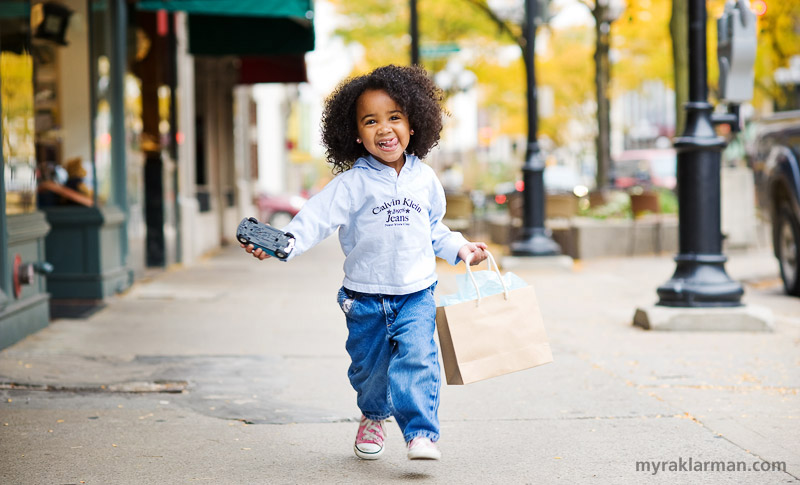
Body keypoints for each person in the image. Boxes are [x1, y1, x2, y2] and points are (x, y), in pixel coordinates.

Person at [241, 65, 488, 461]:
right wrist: (283, 244)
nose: (384, 129)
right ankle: (373, 414)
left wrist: (459, 248)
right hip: (365, 297)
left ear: (413, 125)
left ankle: (420, 434)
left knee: (419, 360)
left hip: (416, 293)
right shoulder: (350, 184)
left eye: (395, 117)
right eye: (371, 121)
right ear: (355, 133)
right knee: (369, 373)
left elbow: (434, 228)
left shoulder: (424, 180)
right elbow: (314, 220)